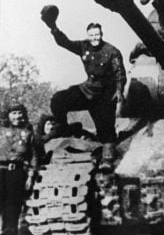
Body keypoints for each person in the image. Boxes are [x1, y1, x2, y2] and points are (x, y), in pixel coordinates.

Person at [42, 14, 125, 167]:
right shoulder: (83, 46)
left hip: (105, 94)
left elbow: (120, 73)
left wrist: (119, 91)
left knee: (106, 129)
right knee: (58, 100)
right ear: (88, 35)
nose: (95, 38)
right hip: (87, 90)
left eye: (97, 35)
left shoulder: (112, 51)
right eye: (92, 35)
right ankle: (62, 126)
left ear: (101, 34)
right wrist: (53, 27)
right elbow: (64, 43)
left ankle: (107, 157)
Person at [0, 104, 36, 235]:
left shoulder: (28, 133)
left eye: (19, 113)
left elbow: (33, 156)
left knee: (12, 205)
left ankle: (9, 231)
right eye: (13, 113)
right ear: (7, 115)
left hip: (16, 172)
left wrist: (31, 176)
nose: (17, 116)